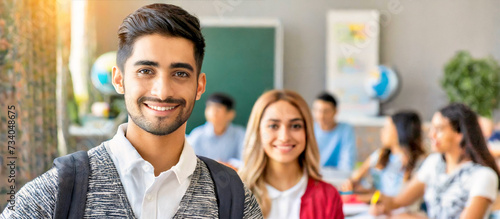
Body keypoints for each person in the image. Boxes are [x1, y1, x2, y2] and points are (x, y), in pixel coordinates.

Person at [1, 3, 262, 218]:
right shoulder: (58, 192)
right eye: (146, 71)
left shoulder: (234, 200)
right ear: (119, 79)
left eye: (180, 73)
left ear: (199, 85)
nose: (162, 91)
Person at [371, 103, 500, 219]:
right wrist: (382, 203)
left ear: (460, 133)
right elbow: (398, 201)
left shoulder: (483, 175)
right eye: (432, 129)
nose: (431, 135)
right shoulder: (434, 163)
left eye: (439, 129)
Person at [239, 90, 344, 219]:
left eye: (295, 126)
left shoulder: (328, 196)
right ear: (258, 132)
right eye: (273, 126)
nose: (284, 137)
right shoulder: (234, 194)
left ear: (307, 132)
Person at [341, 111, 426, 203]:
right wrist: (352, 183)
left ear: (398, 131)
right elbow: (356, 177)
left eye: (386, 128)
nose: (382, 131)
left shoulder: (420, 163)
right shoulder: (380, 155)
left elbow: (401, 199)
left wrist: (368, 196)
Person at [188, 93, 246, 166]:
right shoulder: (197, 135)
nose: (213, 112)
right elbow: (189, 162)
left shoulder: (240, 134)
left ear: (230, 114)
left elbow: (246, 161)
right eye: (209, 107)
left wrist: (227, 165)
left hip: (232, 175)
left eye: (218, 108)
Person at [312, 92, 357, 172]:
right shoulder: (310, 129)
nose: (321, 116)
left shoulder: (345, 130)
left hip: (338, 177)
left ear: (335, 111)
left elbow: (347, 161)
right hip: (314, 175)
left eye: (326, 111)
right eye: (318, 111)